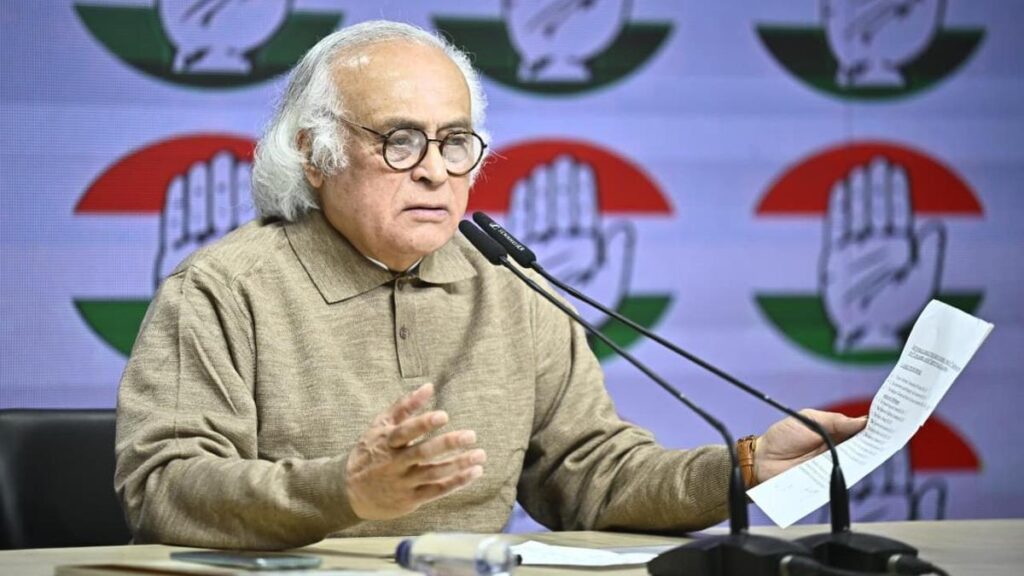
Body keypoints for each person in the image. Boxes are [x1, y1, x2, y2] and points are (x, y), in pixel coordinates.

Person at [114, 20, 867, 550]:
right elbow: (163, 489)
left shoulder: (510, 285)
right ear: (316, 155)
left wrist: (742, 467)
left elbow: (593, 477)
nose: (435, 171)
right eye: (400, 140)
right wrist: (344, 490)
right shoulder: (223, 290)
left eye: (454, 141)